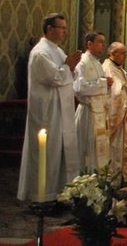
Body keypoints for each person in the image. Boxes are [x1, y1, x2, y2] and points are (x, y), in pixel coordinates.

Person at [18, 13, 82, 202]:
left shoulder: (57, 50)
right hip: (47, 112)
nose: (65, 31)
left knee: (59, 154)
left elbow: (69, 74)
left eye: (65, 28)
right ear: (49, 29)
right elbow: (54, 77)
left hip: (60, 111)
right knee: (47, 154)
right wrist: (68, 66)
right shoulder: (40, 52)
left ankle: (59, 193)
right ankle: (42, 196)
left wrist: (71, 67)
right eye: (61, 28)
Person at [73, 31, 112, 172]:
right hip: (87, 112)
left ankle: (98, 180)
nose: (103, 45)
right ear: (89, 44)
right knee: (87, 149)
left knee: (98, 150)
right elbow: (79, 88)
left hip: (99, 113)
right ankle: (85, 179)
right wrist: (103, 83)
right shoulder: (82, 63)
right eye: (100, 42)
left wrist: (106, 85)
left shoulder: (97, 63)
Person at [103, 42, 127, 184]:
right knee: (115, 148)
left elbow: (126, 87)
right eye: (122, 53)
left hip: (124, 115)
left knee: (123, 146)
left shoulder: (121, 70)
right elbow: (115, 93)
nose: (125, 56)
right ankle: (113, 179)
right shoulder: (107, 68)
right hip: (116, 114)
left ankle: (123, 177)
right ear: (113, 53)